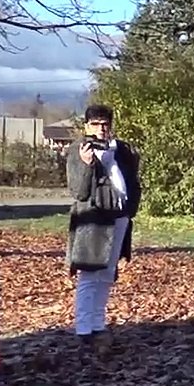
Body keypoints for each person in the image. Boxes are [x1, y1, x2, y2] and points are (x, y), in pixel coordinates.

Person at [66, 104, 142, 355]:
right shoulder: (79, 150)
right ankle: (84, 329)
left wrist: (131, 208)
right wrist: (88, 165)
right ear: (87, 125)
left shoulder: (120, 149)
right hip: (93, 220)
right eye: (96, 123)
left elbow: (132, 180)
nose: (101, 127)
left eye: (105, 123)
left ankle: (98, 324)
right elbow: (79, 191)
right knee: (89, 275)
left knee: (108, 274)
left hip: (119, 217)